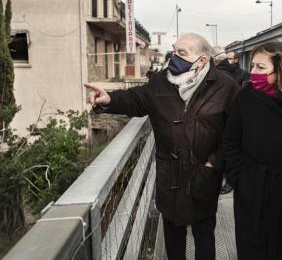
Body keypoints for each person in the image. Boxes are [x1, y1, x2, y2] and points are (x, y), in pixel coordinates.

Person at [85, 33, 240, 260]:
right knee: (173, 239)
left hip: (203, 175)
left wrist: (214, 164)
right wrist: (109, 100)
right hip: (170, 177)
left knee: (204, 235)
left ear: (202, 60)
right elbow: (137, 99)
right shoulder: (160, 81)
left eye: (182, 53)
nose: (174, 58)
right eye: (174, 51)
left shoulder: (226, 87)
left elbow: (234, 133)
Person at [223, 42, 282, 260]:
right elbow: (230, 142)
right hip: (251, 186)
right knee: (251, 247)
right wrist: (239, 178)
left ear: (281, 69)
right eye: (253, 66)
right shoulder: (245, 97)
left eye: (260, 67)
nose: (252, 72)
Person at [212, 46, 250, 195]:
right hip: (238, 115)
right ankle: (230, 180)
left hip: (219, 116)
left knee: (221, 146)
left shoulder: (215, 74)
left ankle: (221, 177)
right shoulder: (243, 74)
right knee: (233, 146)